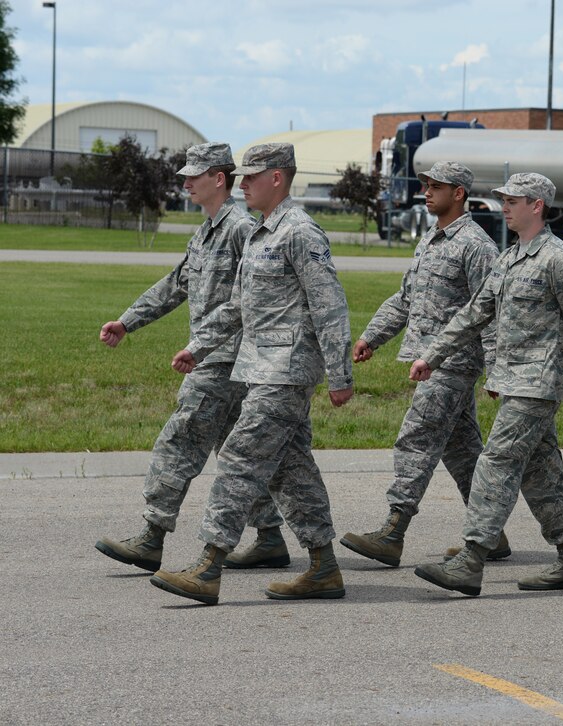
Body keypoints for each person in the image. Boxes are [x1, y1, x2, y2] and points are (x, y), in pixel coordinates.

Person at [150, 143, 355, 605]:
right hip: (258, 369)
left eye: (250, 176)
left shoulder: (300, 233)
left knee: (240, 458)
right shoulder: (262, 234)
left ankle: (208, 566)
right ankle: (323, 567)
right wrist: (198, 347)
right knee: (290, 470)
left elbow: (331, 308)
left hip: (286, 371)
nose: (241, 183)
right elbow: (239, 305)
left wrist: (340, 375)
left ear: (277, 178)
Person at [410, 172, 563, 597]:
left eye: (512, 200)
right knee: (541, 472)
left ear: (537, 205)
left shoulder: (559, 259)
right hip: (513, 380)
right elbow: (474, 313)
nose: (504, 206)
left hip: (539, 382)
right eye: (503, 199)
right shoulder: (508, 259)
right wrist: (432, 355)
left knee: (496, 462)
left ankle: (470, 561)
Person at [94, 142, 288, 573]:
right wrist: (128, 322)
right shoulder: (206, 231)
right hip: (218, 357)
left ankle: (152, 535)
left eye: (193, 175)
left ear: (219, 179)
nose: (184, 181)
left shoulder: (241, 228)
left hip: (226, 359)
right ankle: (271, 536)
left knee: (181, 437)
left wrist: (202, 347)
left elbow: (248, 299)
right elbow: (177, 283)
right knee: (238, 451)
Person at [339, 161, 502, 568]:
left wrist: (496, 370)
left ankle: (393, 532)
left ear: (459, 193)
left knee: (417, 437)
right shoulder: (431, 238)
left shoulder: (477, 246)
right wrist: (371, 337)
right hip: (429, 359)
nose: (426, 192)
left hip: (455, 362)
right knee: (463, 451)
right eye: (425, 185)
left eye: (435, 186)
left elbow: (493, 312)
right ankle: (491, 534)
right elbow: (406, 298)